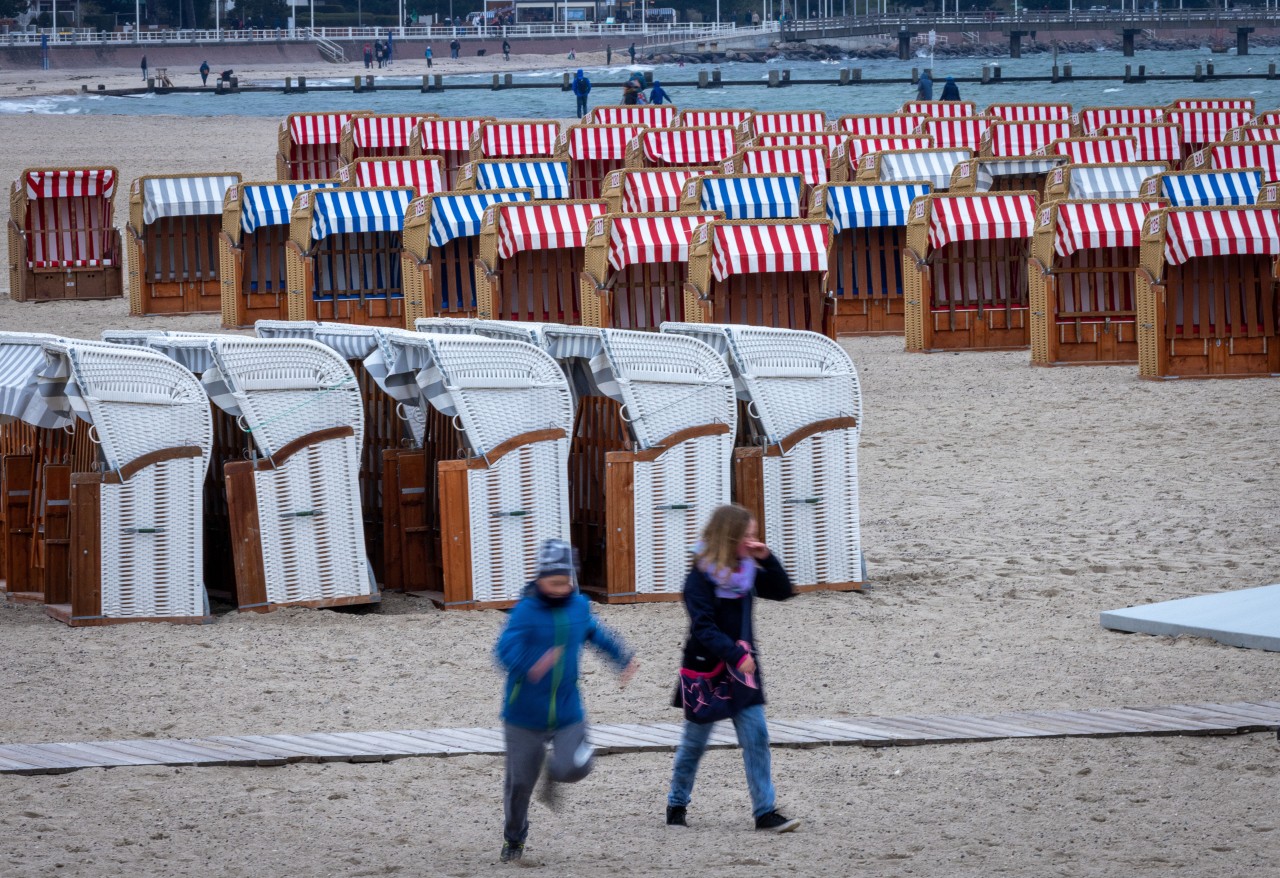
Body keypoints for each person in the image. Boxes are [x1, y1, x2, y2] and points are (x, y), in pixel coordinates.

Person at [495, 539, 637, 864]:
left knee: (575, 766)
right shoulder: (525, 611)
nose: (561, 588)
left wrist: (622, 658)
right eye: (554, 581)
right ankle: (514, 838)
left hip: (568, 710)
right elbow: (503, 650)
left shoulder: (579, 607)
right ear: (539, 578)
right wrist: (531, 662)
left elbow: (597, 635)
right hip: (523, 714)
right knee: (519, 784)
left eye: (567, 581)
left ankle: (556, 770)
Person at [666, 504, 799, 834]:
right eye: (748, 536)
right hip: (705, 670)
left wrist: (767, 557)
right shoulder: (699, 577)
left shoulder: (748, 571)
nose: (753, 542)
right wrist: (734, 655)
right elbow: (703, 627)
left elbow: (784, 592)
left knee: (757, 736)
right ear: (729, 538)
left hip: (744, 671)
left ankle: (765, 813)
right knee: (694, 744)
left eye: (755, 536)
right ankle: (677, 804)